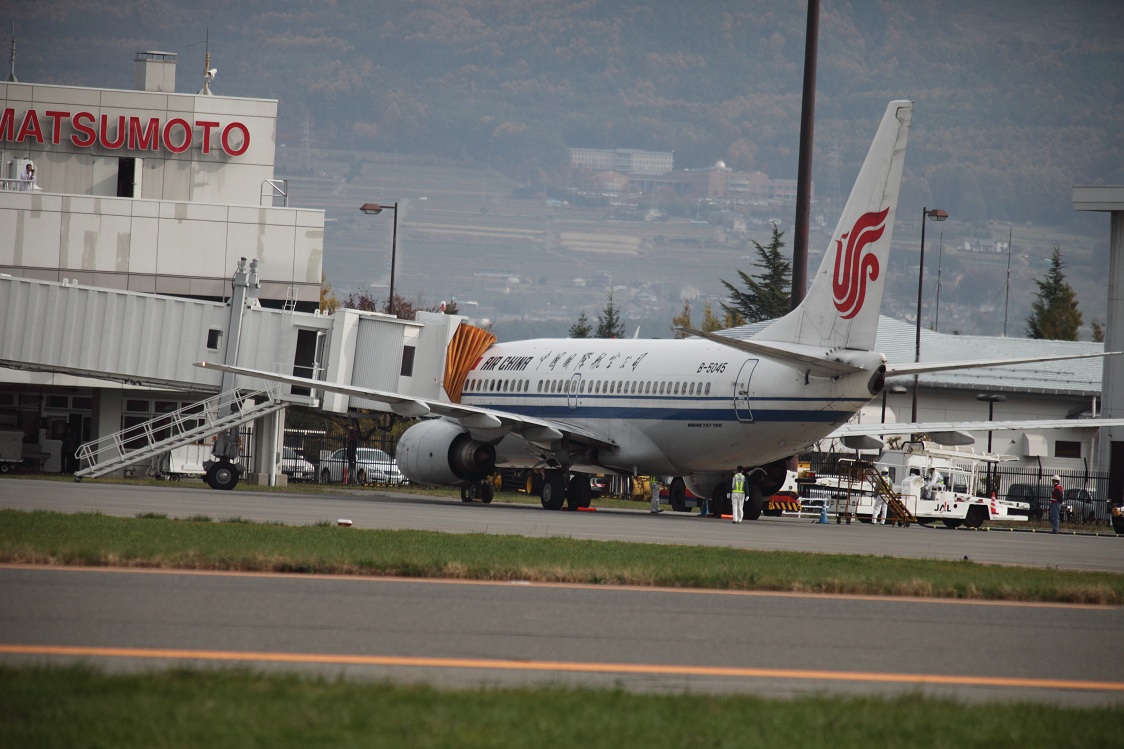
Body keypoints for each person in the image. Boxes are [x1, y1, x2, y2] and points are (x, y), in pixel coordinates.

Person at [345, 418, 378, 485]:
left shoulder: (354, 433)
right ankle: (351, 467)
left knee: (352, 454)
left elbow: (355, 437)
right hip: (352, 443)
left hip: (353, 443)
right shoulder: (352, 433)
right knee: (350, 454)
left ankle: (352, 466)